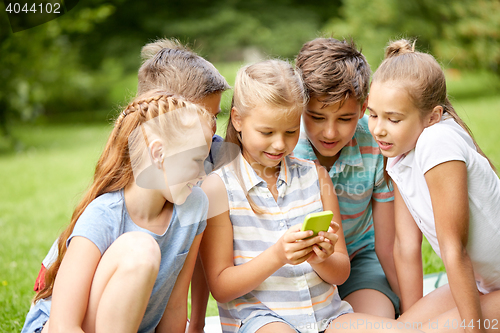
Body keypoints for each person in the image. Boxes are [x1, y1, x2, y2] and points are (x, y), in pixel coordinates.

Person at [199, 59, 427, 333]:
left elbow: (341, 271)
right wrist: (278, 255)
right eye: (267, 132)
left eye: (291, 131)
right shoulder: (217, 188)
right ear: (237, 119)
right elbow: (221, 288)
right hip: (261, 319)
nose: (280, 144)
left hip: (328, 315)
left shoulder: (316, 176)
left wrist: (321, 257)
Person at [32, 38, 230, 333]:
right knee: (140, 249)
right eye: (205, 114)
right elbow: (63, 324)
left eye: (214, 118)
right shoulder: (106, 212)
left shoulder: (192, 202)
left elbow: (175, 306)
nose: (212, 129)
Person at [367, 39, 500, 331]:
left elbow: (454, 248)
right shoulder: (398, 153)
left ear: (433, 116)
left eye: (394, 118)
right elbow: (405, 245)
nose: (378, 128)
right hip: (484, 284)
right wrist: (407, 324)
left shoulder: (437, 141)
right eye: (372, 114)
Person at [293, 37, 400, 318]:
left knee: (376, 322)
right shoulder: (284, 148)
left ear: (363, 109)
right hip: (299, 270)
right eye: (316, 117)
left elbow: (387, 246)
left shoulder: (377, 145)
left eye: (344, 119)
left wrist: (411, 310)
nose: (329, 133)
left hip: (360, 262)